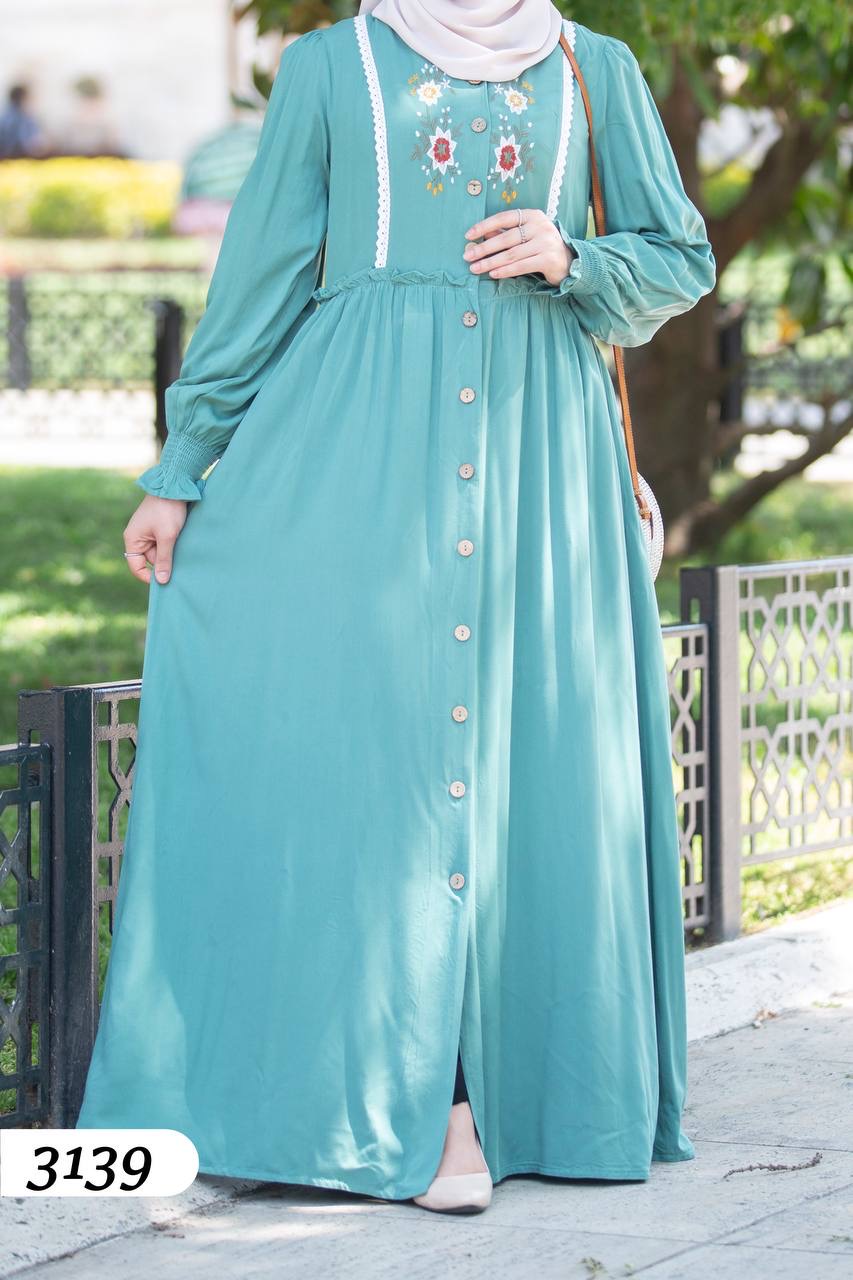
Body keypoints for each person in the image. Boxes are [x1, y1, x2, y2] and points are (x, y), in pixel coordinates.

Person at [75, 0, 716, 1216]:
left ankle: (490, 1102)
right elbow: (260, 275)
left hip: (538, 460)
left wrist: (573, 258)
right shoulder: (329, 68)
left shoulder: (593, 65)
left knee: (517, 763)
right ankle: (384, 1099)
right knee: (380, 761)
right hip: (356, 453)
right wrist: (182, 466)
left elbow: (678, 254)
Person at [0, 84, 47, 159]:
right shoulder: (24, 119)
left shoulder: (4, 117)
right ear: (22, 99)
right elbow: (30, 144)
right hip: (21, 159)